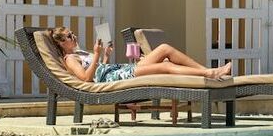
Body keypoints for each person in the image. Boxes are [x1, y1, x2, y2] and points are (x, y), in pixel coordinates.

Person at [49, 27, 232, 83]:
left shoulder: (80, 53)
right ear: (61, 43)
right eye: (69, 36)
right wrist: (96, 55)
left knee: (164, 49)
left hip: (117, 69)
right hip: (116, 76)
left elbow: (99, 69)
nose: (74, 37)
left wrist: (105, 55)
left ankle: (209, 71)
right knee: (166, 65)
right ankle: (210, 74)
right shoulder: (70, 59)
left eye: (72, 34)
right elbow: (86, 79)